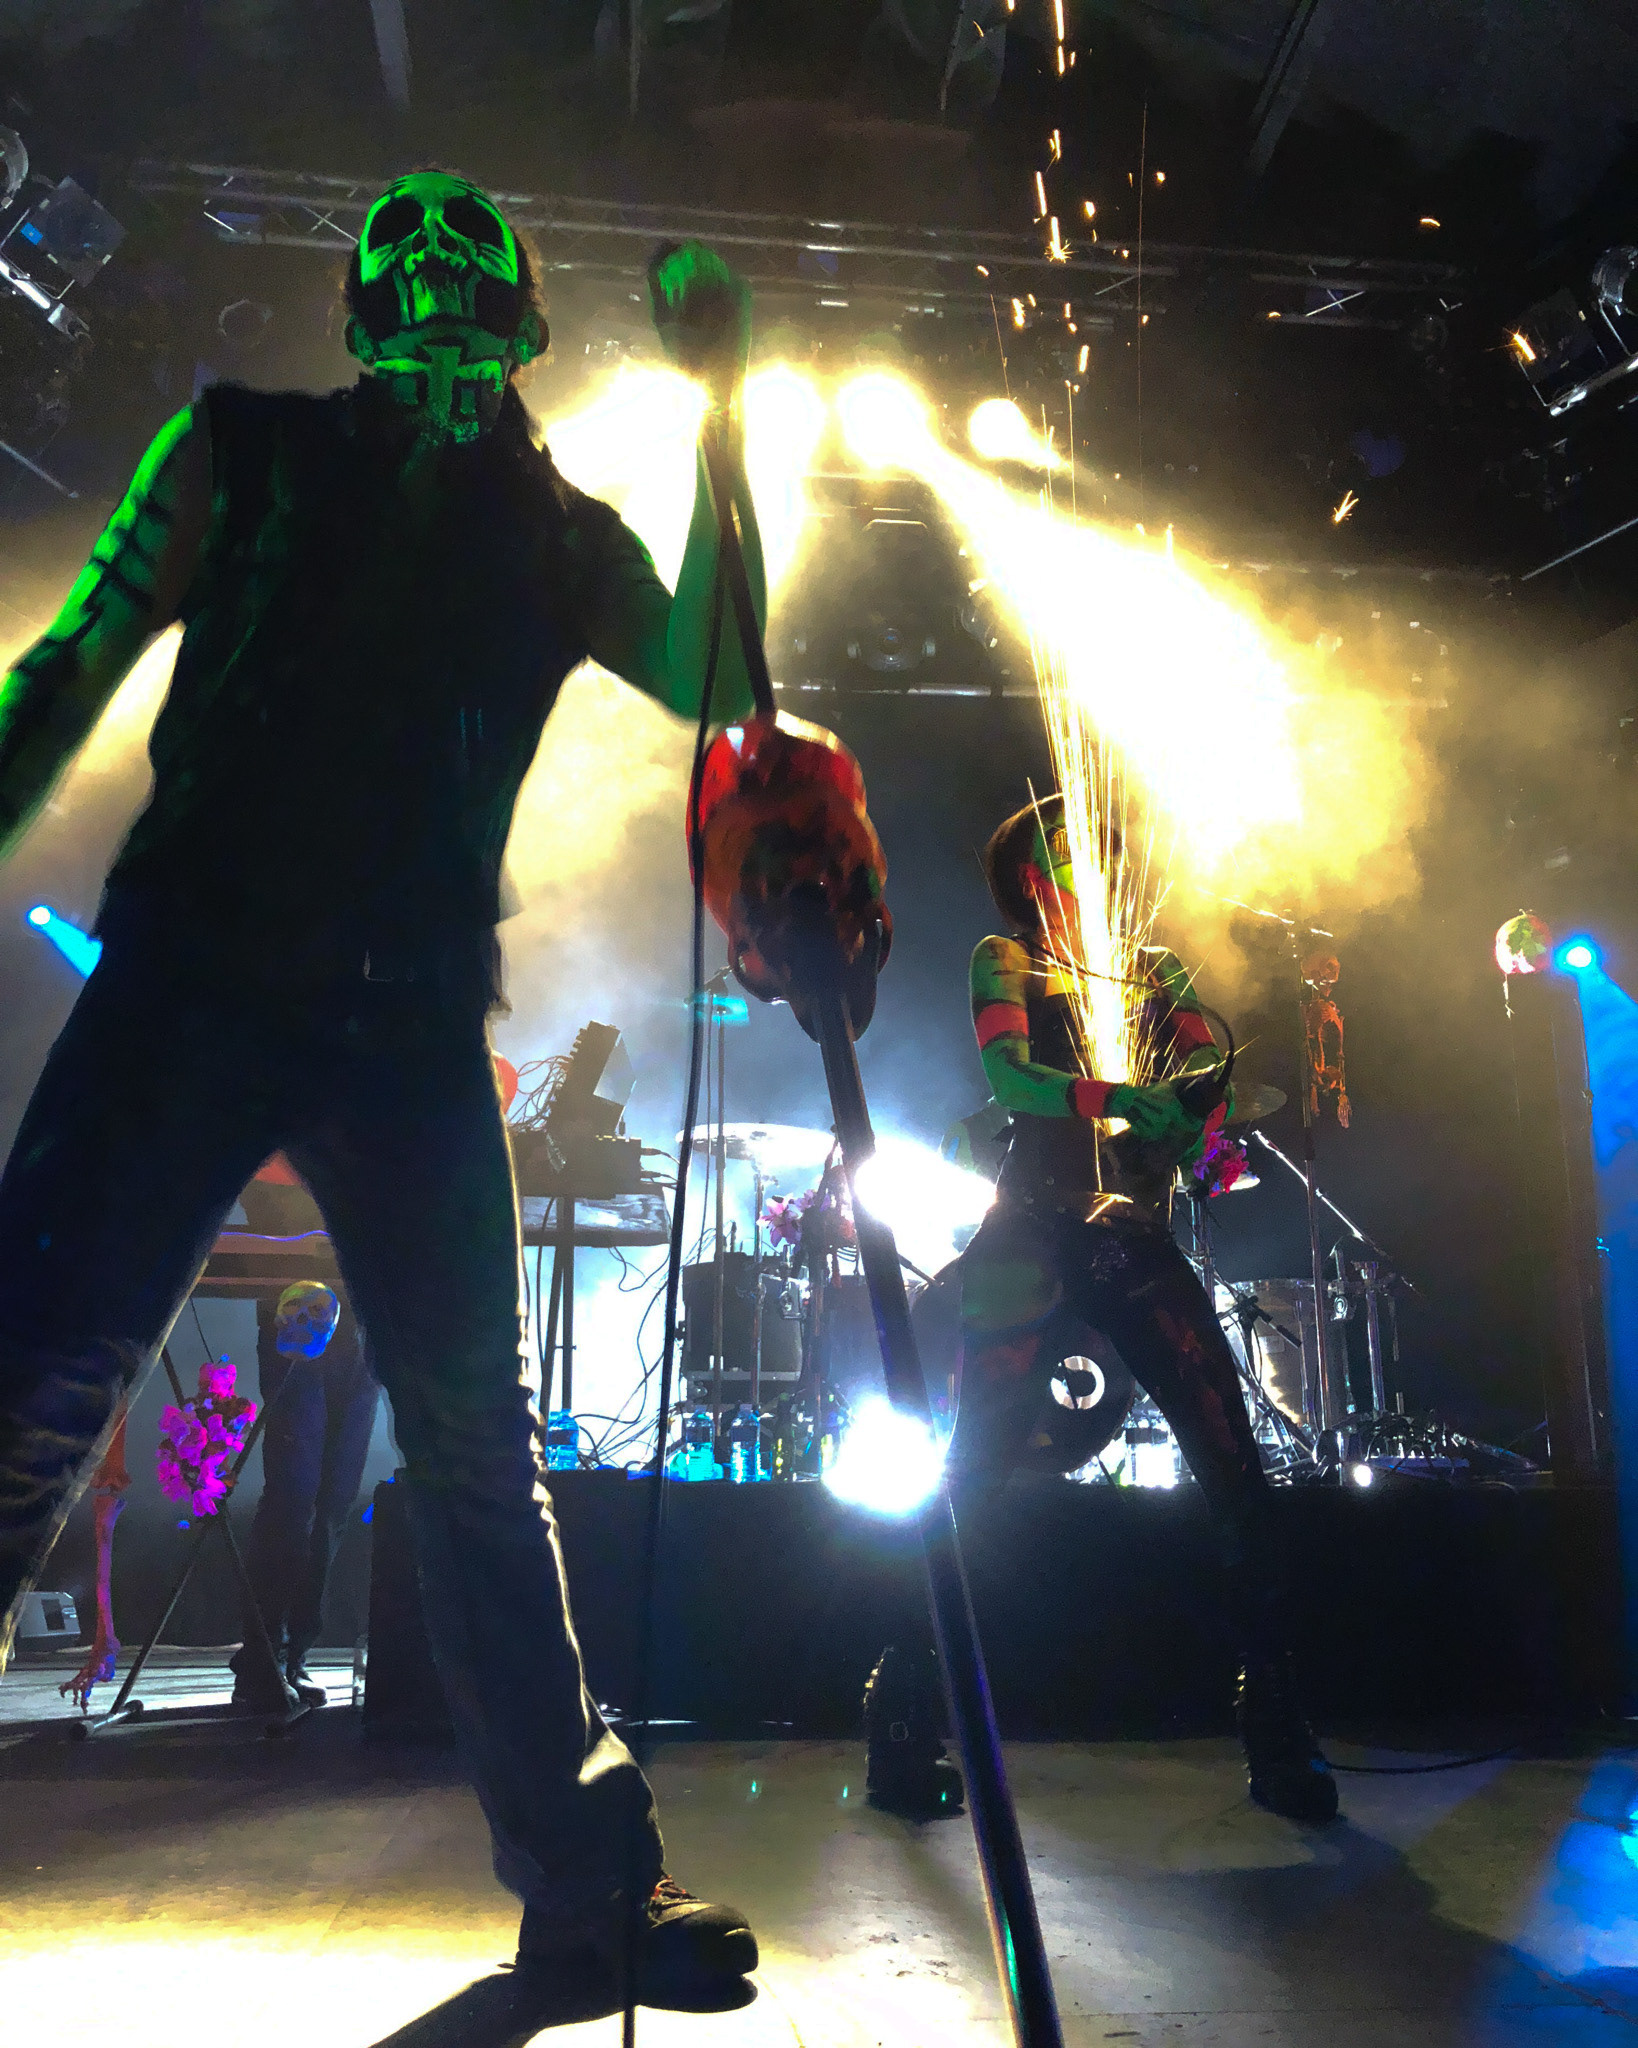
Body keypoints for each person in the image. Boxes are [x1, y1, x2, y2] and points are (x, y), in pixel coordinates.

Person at [0, 171, 768, 2002]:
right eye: (402, 263)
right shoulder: (241, 450)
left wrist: (725, 412)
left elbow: (719, 672)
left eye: (462, 262)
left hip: (404, 1018)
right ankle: (585, 1885)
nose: (433, 278)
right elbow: (74, 658)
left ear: (521, 326)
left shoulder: (556, 531)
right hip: (192, 980)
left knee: (476, 1444)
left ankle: (587, 1891)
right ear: (357, 319)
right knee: (30, 1386)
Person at [869, 795, 1338, 1826]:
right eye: (1062, 854)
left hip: (1128, 1233)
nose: (1087, 867)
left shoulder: (1156, 971)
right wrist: (1120, 1098)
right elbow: (1010, 1076)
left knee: (1235, 1464)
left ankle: (1276, 1722)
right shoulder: (1007, 959)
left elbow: (1206, 1073)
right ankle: (902, 1716)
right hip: (1029, 1234)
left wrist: (1198, 1107)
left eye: (1097, 853)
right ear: (1028, 879)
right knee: (971, 1479)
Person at [229, 1279, 378, 1712]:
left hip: (363, 1318)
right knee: (291, 1502)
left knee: (333, 1504)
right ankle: (262, 1659)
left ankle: (293, 1657)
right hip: (296, 1297)